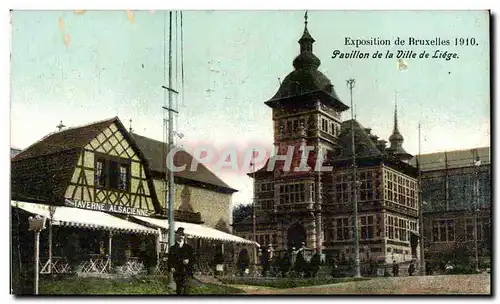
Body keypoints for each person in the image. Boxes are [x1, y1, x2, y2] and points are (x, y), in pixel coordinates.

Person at [168, 227, 194, 295]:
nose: (181, 236)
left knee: (186, 290)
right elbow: (170, 260)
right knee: (179, 290)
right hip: (177, 272)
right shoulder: (172, 248)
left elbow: (193, 259)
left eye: (182, 235)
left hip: (186, 272)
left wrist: (188, 260)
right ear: (176, 235)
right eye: (179, 234)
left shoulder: (189, 248)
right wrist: (171, 267)